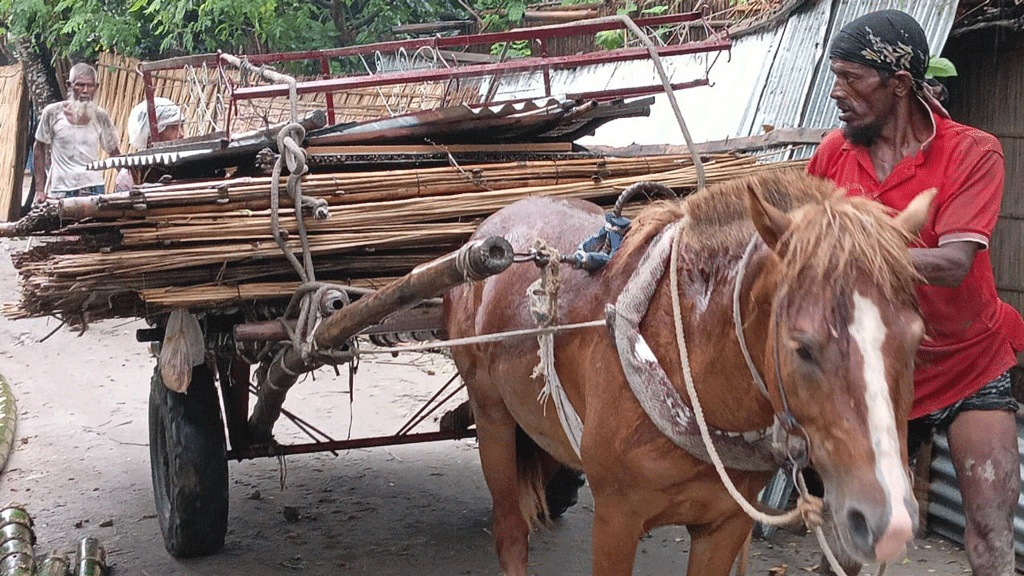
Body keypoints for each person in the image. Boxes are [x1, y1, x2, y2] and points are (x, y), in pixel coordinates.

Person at [807, 10, 1024, 576]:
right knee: (853, 540)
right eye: (835, 76)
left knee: (992, 532)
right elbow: (803, 247)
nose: (838, 92)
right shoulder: (833, 154)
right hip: (874, 367)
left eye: (852, 78)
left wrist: (847, 252)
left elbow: (953, 264)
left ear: (899, 84)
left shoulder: (972, 152)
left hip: (967, 359)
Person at [33, 62, 121, 204]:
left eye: (90, 85)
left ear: (96, 87)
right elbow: (39, 147)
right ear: (69, 85)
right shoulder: (52, 113)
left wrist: (129, 179)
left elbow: (114, 152)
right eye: (80, 85)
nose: (85, 90)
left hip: (94, 188)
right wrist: (39, 190)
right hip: (62, 189)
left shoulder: (100, 116)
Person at [114, 97, 185, 193]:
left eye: (182, 126)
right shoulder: (130, 177)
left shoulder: (184, 166)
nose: (181, 134)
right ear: (151, 134)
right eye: (172, 128)